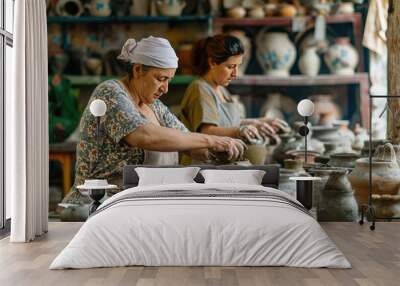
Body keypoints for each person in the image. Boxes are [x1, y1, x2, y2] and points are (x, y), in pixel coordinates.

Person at [62, 36, 246, 209]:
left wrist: (216, 152)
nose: (165, 89)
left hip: (135, 203)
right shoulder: (110, 93)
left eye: (169, 80)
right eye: (161, 79)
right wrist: (211, 140)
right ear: (137, 69)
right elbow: (145, 136)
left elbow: (186, 140)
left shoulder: (155, 107)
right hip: (97, 205)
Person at [180, 34, 289, 148]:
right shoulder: (200, 89)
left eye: (238, 66)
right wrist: (238, 132)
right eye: (230, 67)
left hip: (221, 160)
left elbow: (231, 124)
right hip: (201, 162)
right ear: (212, 62)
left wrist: (258, 123)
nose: (235, 74)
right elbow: (207, 131)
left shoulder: (221, 89)